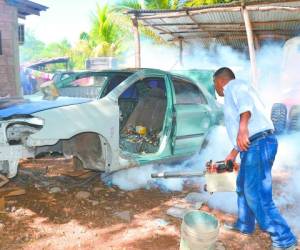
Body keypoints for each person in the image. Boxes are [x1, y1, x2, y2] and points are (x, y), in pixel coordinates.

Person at [213, 67, 297, 250]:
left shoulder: (235, 85)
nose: (215, 89)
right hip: (254, 145)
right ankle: (245, 225)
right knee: (243, 187)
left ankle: (285, 239)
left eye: (214, 84)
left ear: (219, 81)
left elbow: (246, 108)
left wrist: (243, 128)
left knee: (256, 194)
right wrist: (233, 153)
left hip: (259, 144)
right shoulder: (233, 91)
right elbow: (243, 130)